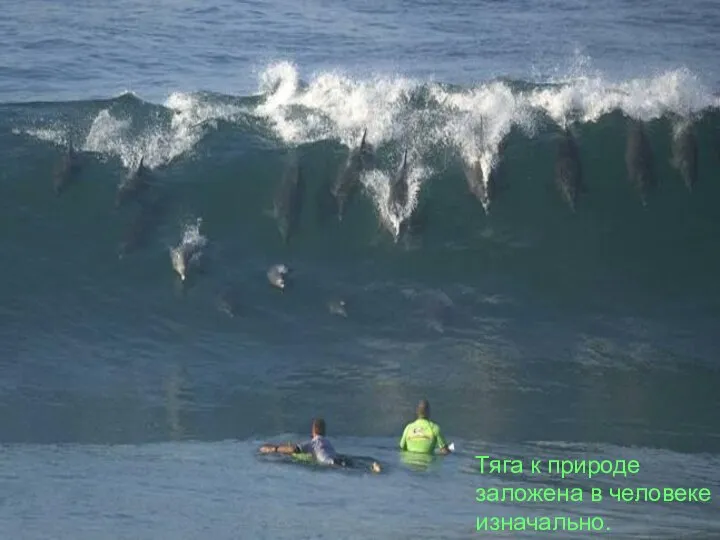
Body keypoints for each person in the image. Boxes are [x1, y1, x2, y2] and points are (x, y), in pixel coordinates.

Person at [260, 418, 382, 473]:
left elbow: (294, 449)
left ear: (313, 431)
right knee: (357, 467)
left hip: (332, 464)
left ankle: (372, 469)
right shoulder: (327, 442)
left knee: (351, 470)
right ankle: (373, 466)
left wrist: (274, 449)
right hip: (339, 459)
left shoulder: (313, 442)